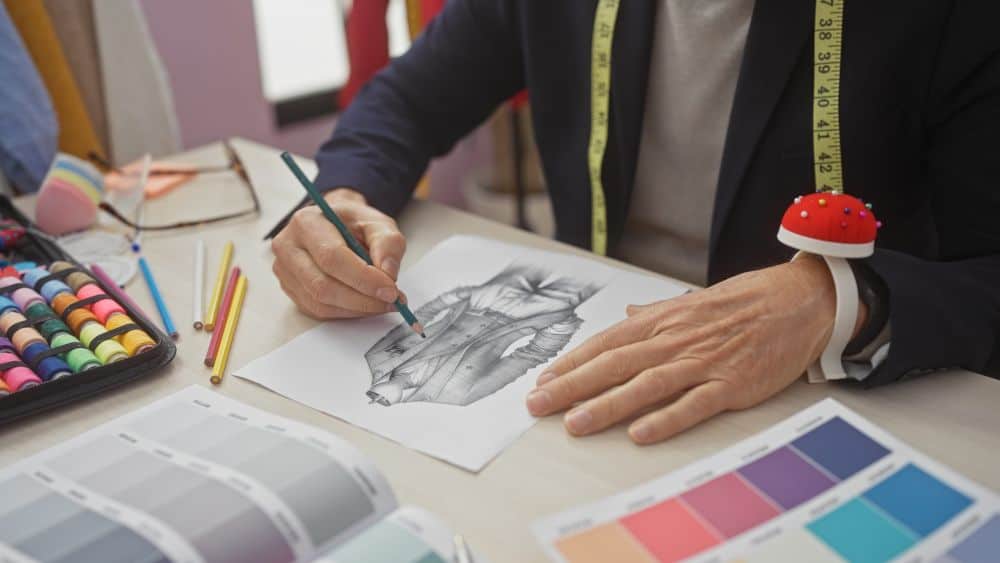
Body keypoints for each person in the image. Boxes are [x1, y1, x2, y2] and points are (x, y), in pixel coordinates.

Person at [271, 1, 1000, 445]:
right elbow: (404, 101)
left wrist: (843, 301)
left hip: (827, 396)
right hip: (590, 381)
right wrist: (343, 196)